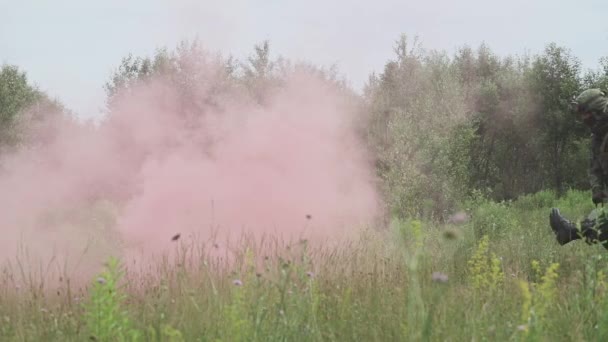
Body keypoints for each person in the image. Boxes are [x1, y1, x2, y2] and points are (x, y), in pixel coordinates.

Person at [550, 88, 608, 249]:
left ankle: (570, 231)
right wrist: (598, 190)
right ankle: (573, 231)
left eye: (586, 115)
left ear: (597, 111)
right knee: (601, 225)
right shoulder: (597, 139)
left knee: (603, 226)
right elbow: (595, 167)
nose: (583, 120)